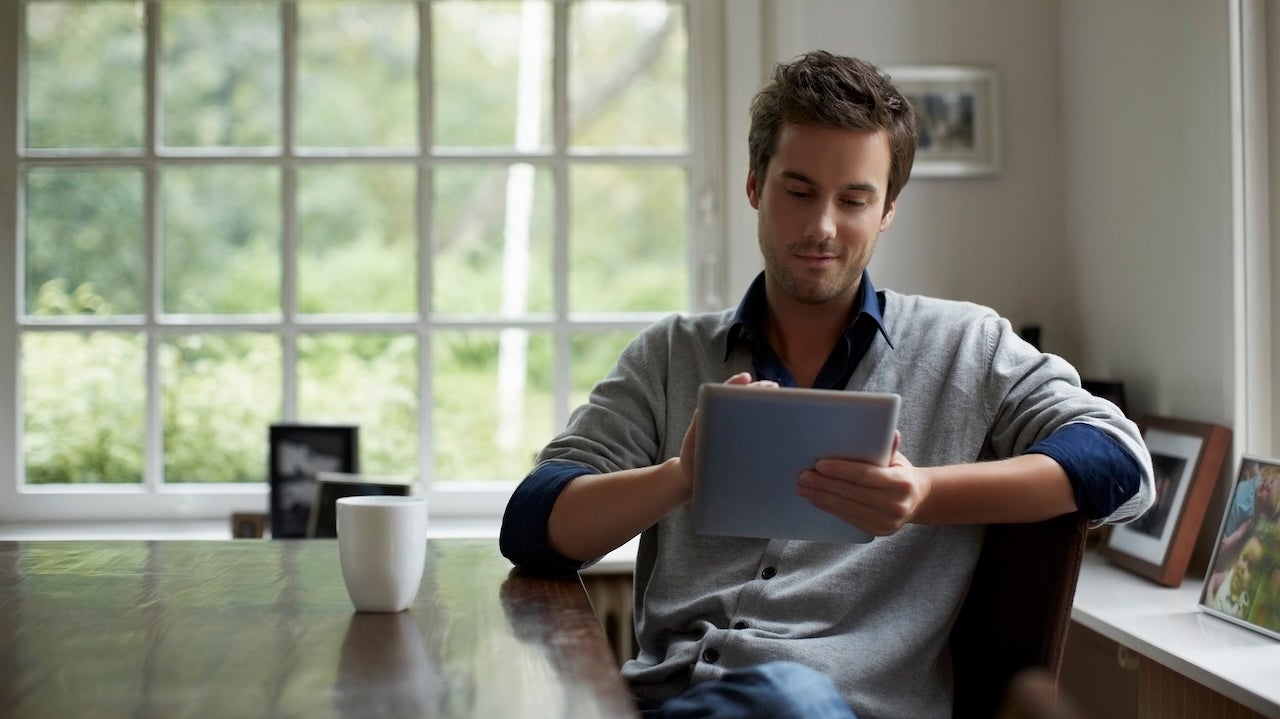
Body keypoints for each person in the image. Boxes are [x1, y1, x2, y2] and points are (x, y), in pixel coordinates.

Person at [500, 50, 1155, 719]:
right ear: (755, 185)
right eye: (799, 192)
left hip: (839, 709)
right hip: (674, 705)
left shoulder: (968, 347)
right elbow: (529, 524)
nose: (821, 227)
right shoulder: (670, 355)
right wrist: (681, 476)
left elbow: (1119, 460)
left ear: (887, 209)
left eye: (854, 200)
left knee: (790, 696)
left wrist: (923, 493)